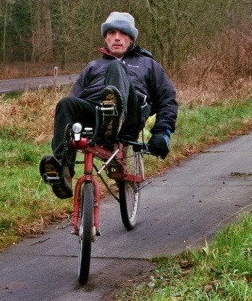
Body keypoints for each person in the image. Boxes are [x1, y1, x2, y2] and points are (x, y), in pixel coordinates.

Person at [39, 12, 178, 199]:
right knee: (66, 103)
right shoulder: (93, 66)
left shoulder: (148, 64)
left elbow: (167, 99)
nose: (117, 38)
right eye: (111, 33)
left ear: (131, 38)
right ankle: (63, 174)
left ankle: (114, 116)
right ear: (105, 38)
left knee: (116, 67)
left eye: (122, 33)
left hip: (129, 116)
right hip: (95, 114)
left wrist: (162, 133)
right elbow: (76, 100)